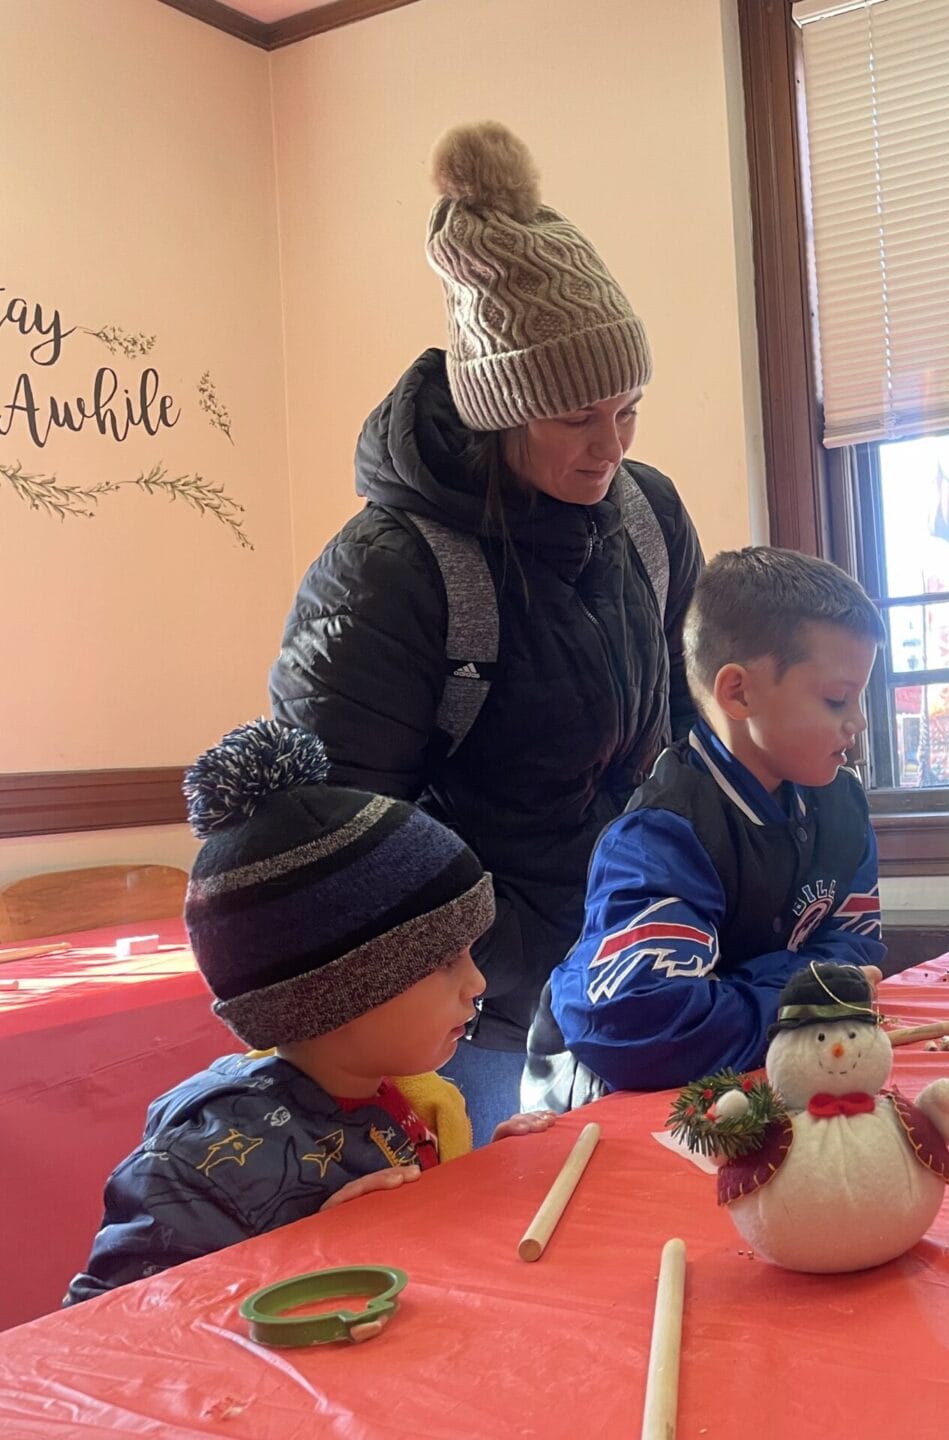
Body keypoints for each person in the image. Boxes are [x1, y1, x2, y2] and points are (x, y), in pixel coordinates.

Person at [271, 121, 702, 1138]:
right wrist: (492, 967)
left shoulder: (648, 516)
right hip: (456, 1018)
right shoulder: (387, 572)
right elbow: (338, 835)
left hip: (629, 964)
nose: (612, 447)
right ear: (502, 407)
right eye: (577, 418)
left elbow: (691, 730)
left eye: (629, 409)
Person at [67, 720, 554, 1303]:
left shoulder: (406, 1098)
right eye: (445, 960)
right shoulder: (201, 1167)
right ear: (340, 993)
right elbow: (102, 1341)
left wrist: (477, 1183)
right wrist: (306, 1259)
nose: (478, 982)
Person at [525, 548, 887, 1107]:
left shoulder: (841, 803)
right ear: (738, 692)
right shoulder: (661, 835)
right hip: (608, 1112)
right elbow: (644, 1027)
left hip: (753, 1077)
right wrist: (803, 994)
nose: (857, 721)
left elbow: (858, 951)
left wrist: (758, 989)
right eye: (837, 698)